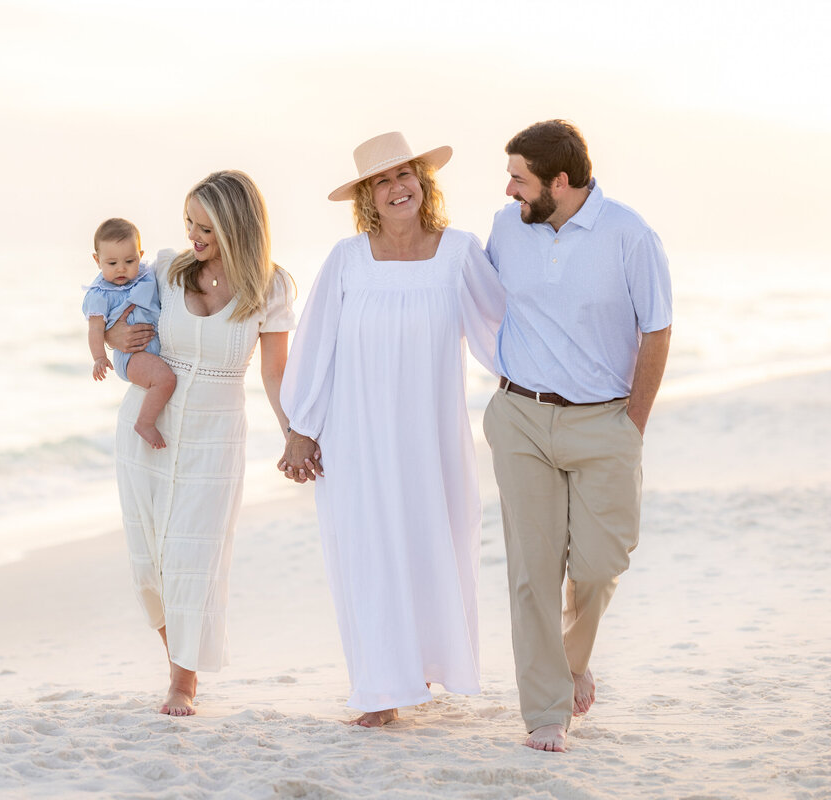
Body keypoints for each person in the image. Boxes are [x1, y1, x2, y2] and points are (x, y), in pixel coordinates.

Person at [278, 132, 505, 727]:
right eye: (382, 181)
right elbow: (314, 346)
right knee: (367, 552)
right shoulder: (347, 259)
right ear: (368, 199)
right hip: (357, 438)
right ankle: (380, 690)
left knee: (435, 542)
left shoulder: (459, 252)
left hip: (430, 437)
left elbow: (501, 332)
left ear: (423, 183)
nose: (397, 187)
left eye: (405, 174)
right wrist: (301, 427)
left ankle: (419, 667)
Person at [482, 120, 672, 752]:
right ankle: (545, 712)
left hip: (605, 421)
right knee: (533, 572)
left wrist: (632, 426)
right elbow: (482, 301)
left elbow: (657, 329)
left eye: (519, 177)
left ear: (559, 182)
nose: (508, 189)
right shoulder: (508, 228)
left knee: (598, 563)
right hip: (521, 419)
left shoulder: (629, 235)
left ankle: (572, 657)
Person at [104, 170, 295, 716]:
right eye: (189, 221)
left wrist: (293, 434)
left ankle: (182, 681)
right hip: (148, 427)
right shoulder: (164, 269)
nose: (193, 234)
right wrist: (112, 338)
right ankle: (177, 662)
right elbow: (108, 305)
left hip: (216, 436)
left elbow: (275, 373)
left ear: (238, 225)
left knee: (195, 559)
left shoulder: (271, 286)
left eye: (205, 225)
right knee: (150, 561)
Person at [84, 218, 177, 449]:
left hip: (152, 348)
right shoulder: (100, 294)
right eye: (112, 262)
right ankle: (145, 423)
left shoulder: (146, 275)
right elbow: (95, 329)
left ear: (140, 254)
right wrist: (99, 357)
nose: (121, 269)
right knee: (165, 380)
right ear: (97, 261)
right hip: (131, 356)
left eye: (129, 260)